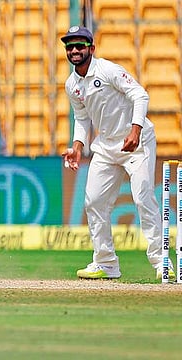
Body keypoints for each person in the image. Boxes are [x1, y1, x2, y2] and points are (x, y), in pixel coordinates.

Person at [60, 26, 174, 281]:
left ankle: (161, 262)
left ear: (92, 48)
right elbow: (81, 117)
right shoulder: (72, 84)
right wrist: (78, 147)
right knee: (93, 202)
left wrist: (135, 131)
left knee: (144, 198)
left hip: (138, 141)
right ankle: (106, 263)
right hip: (106, 146)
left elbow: (140, 95)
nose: (75, 50)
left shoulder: (108, 70)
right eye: (70, 46)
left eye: (80, 45)